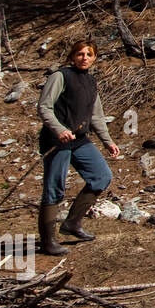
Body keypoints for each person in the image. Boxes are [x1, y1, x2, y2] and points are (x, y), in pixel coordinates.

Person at [35, 39, 120, 255]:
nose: (84, 58)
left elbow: (96, 116)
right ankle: (48, 242)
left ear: (94, 58)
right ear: (72, 56)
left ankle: (72, 223)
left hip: (80, 140)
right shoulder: (60, 76)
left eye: (89, 54)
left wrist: (108, 141)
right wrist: (58, 129)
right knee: (55, 188)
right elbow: (44, 107)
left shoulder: (91, 82)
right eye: (80, 54)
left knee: (101, 176)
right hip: (56, 141)